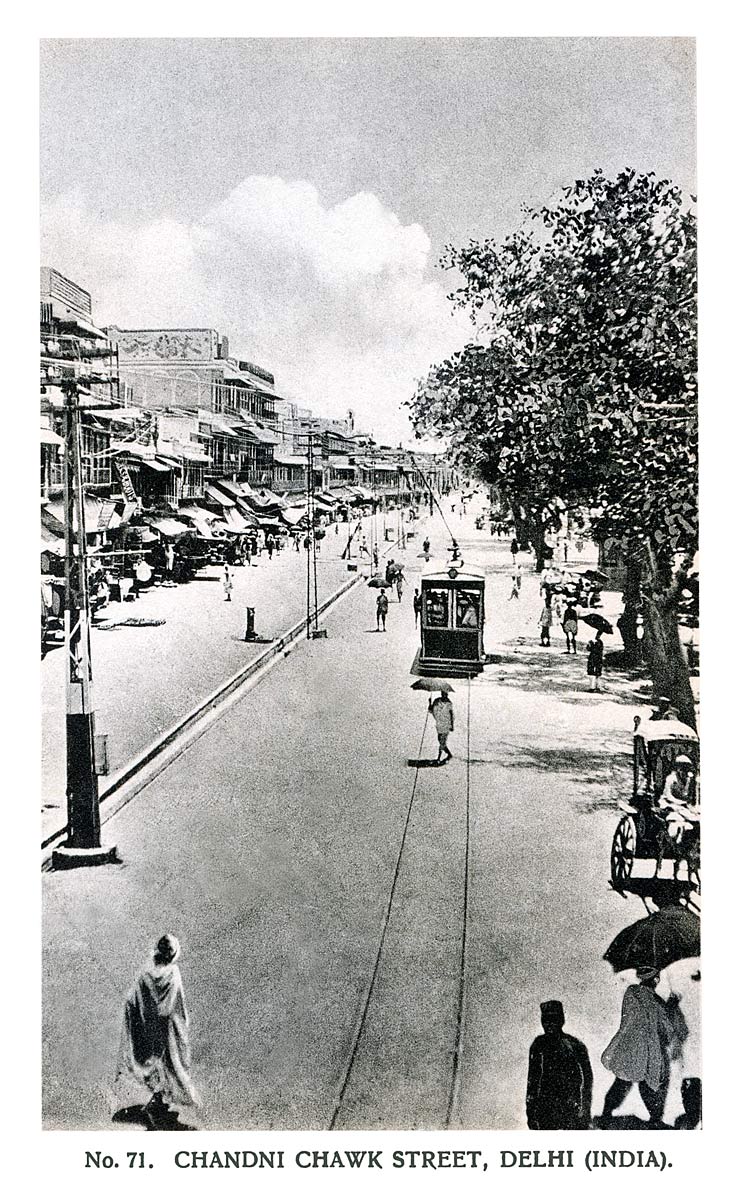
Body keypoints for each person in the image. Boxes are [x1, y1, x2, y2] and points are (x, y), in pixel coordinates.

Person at [113, 934, 199, 1130]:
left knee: (153, 1062)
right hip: (167, 1029)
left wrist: (136, 1018)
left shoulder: (146, 972)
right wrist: (182, 1025)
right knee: (168, 1063)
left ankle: (158, 1100)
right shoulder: (173, 973)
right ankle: (159, 1103)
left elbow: (132, 999)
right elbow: (177, 1006)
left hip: (147, 1026)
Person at [598, 967, 688, 1128]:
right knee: (633, 1082)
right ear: (656, 979)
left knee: (636, 1082)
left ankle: (653, 1119)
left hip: (643, 1049)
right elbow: (651, 1020)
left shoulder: (637, 994)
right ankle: (610, 1115)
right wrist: (669, 1007)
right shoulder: (638, 994)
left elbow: (662, 1025)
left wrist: (670, 1007)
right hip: (639, 1048)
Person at [526, 1001, 593, 1130]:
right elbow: (533, 1081)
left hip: (571, 1107)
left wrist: (585, 1109)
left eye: (553, 1019)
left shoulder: (575, 1046)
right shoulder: (538, 1045)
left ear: (561, 1020)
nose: (549, 1024)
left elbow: (587, 1080)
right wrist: (531, 1113)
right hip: (546, 1110)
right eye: (545, 1019)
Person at [429, 690, 454, 763]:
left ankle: (439, 757)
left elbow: (451, 714)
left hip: (446, 724)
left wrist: (452, 725)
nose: (445, 695)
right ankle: (449, 754)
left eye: (446, 694)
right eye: (444, 694)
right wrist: (429, 703)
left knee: (442, 741)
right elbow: (431, 710)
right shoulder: (436, 701)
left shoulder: (449, 703)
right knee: (440, 740)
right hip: (439, 724)